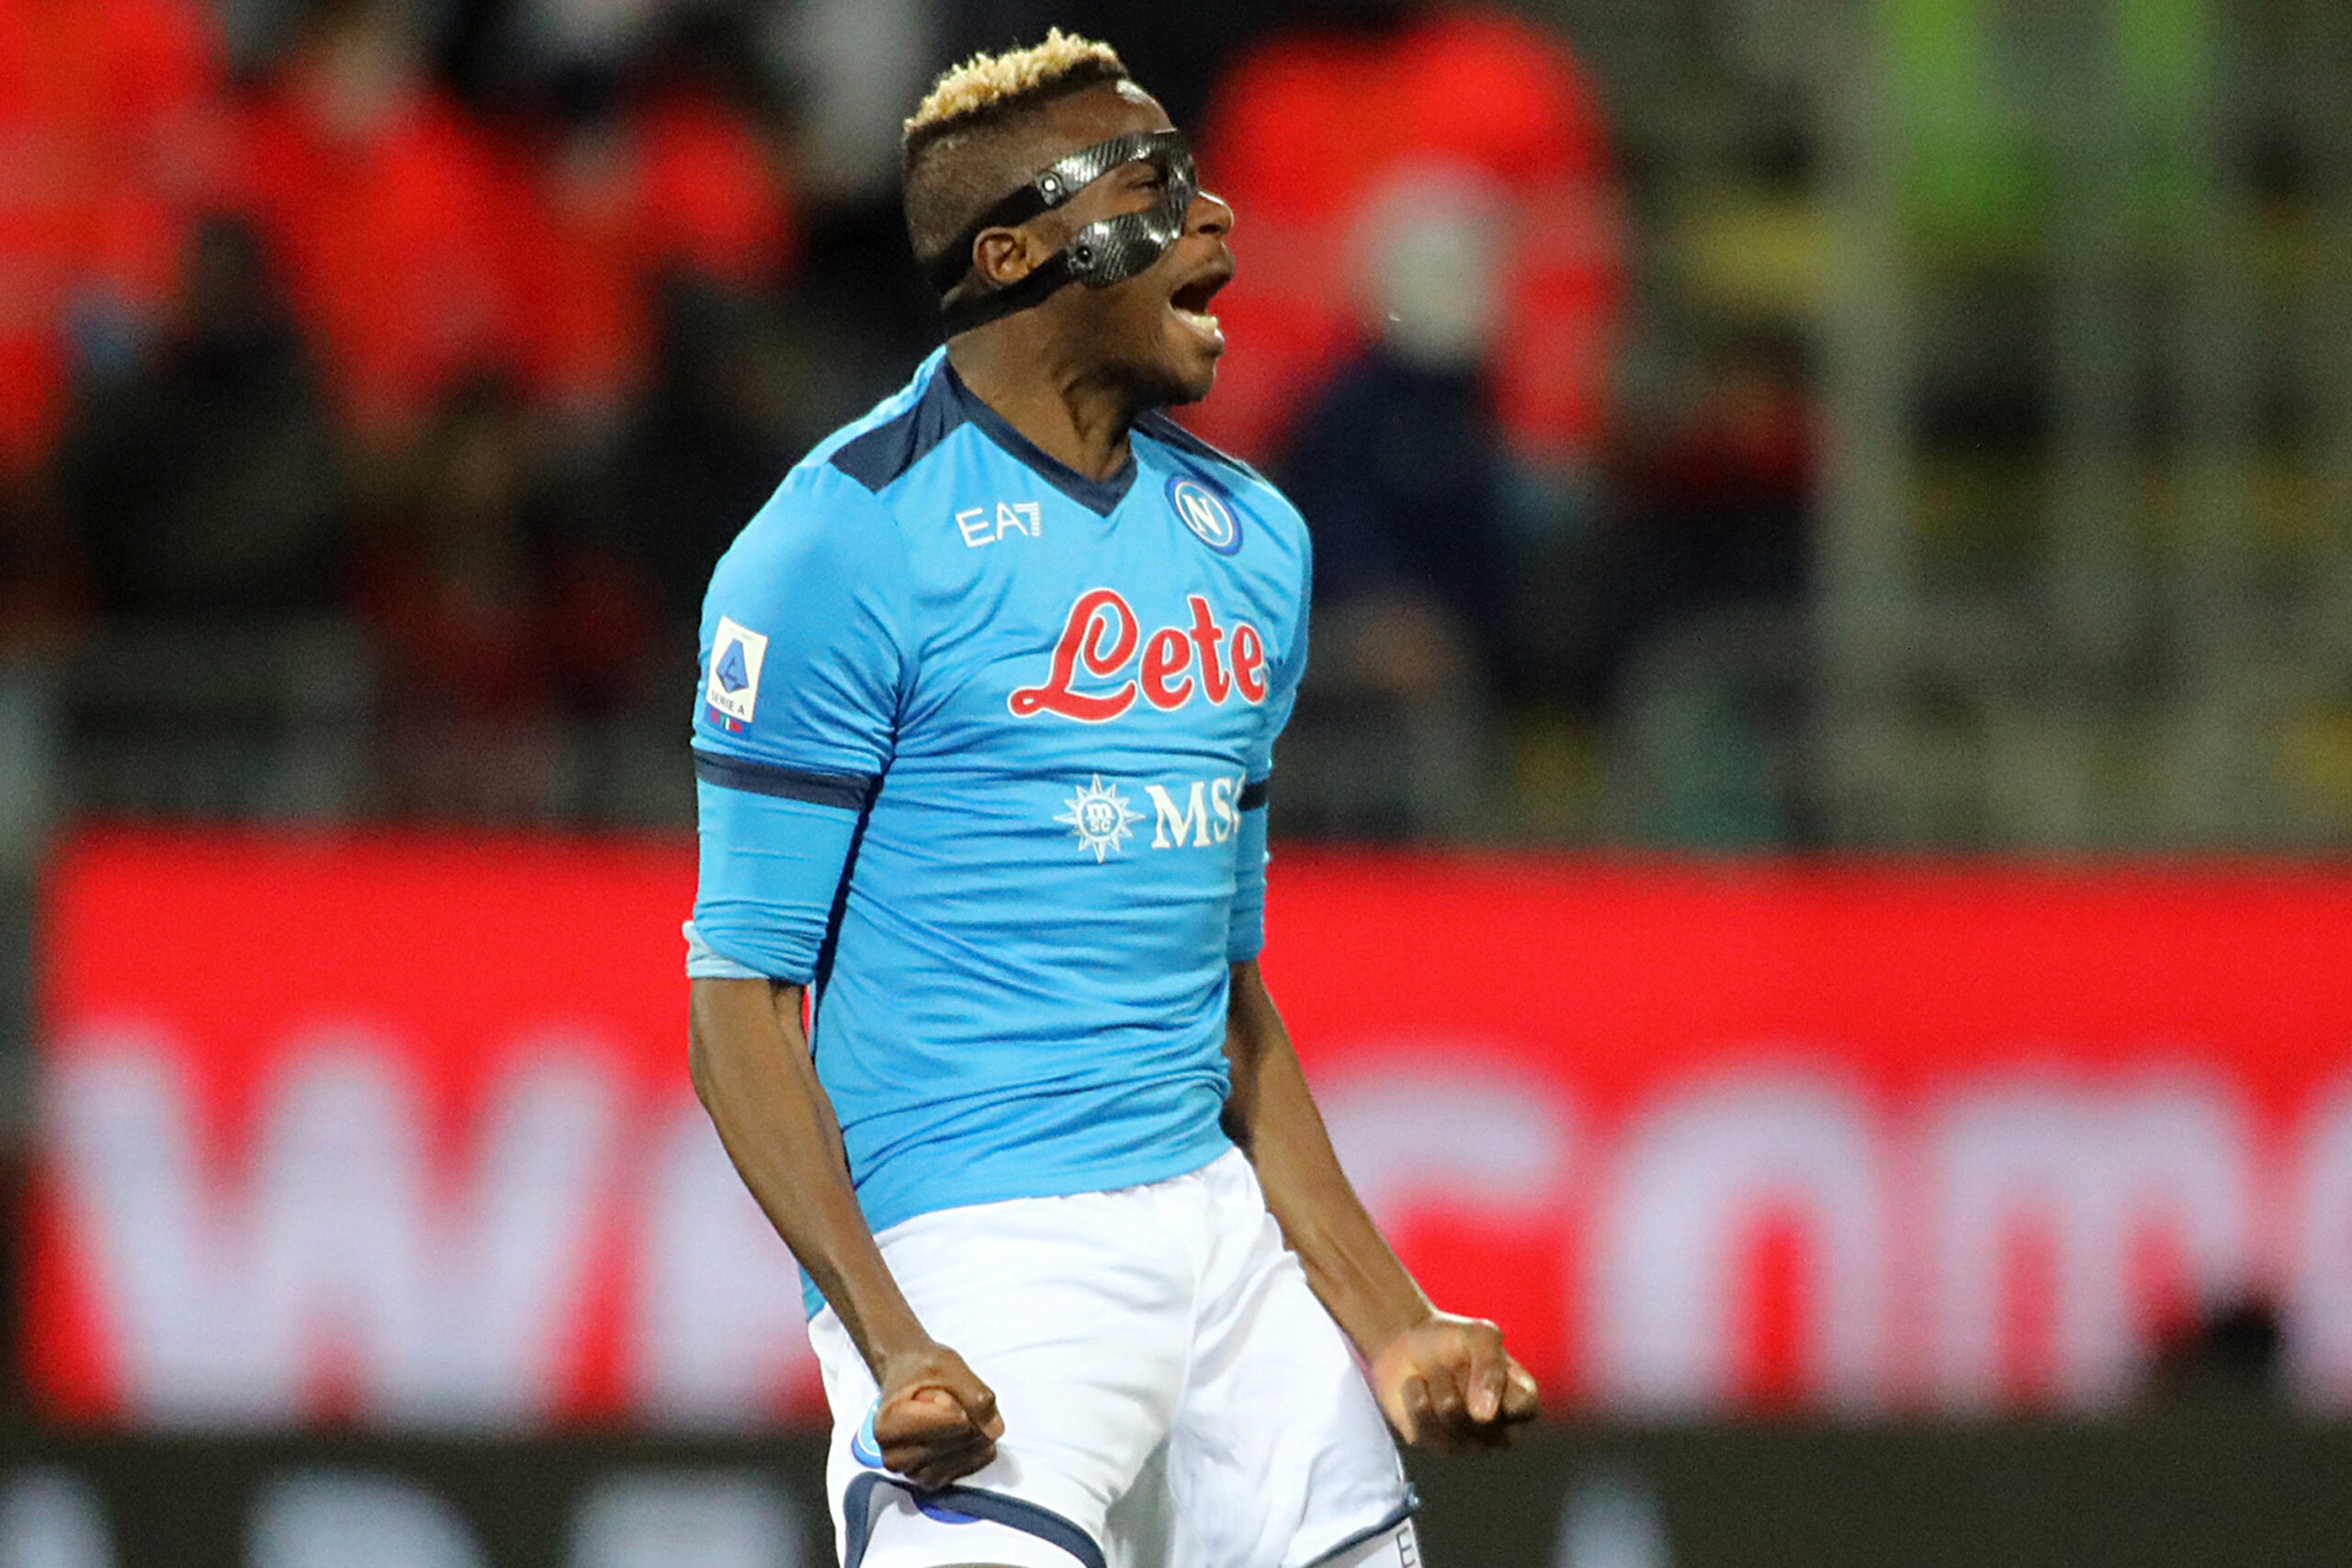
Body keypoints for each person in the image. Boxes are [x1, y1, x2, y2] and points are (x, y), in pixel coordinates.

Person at [683, 31, 1537, 1568]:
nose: (1214, 221)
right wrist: (891, 1339)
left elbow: (1227, 1004)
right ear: (1011, 253)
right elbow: (738, 1006)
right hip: (979, 1258)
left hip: (1221, 1242)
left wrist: (1391, 1322)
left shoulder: (1251, 541)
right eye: (1151, 190)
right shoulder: (838, 542)